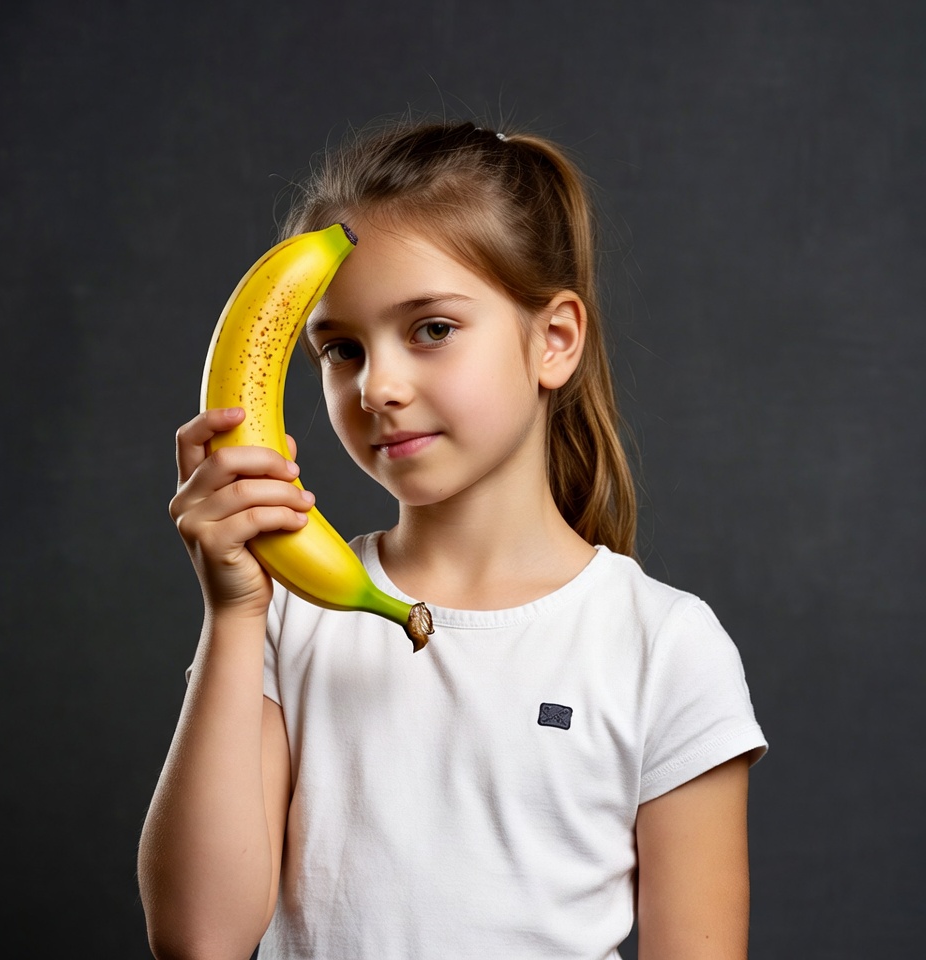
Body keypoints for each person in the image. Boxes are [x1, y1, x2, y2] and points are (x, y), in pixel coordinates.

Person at [138, 119, 767, 960]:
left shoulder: (663, 647)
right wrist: (234, 612)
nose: (378, 387)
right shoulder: (286, 618)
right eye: (341, 349)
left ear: (554, 340)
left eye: (431, 328)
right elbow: (198, 939)